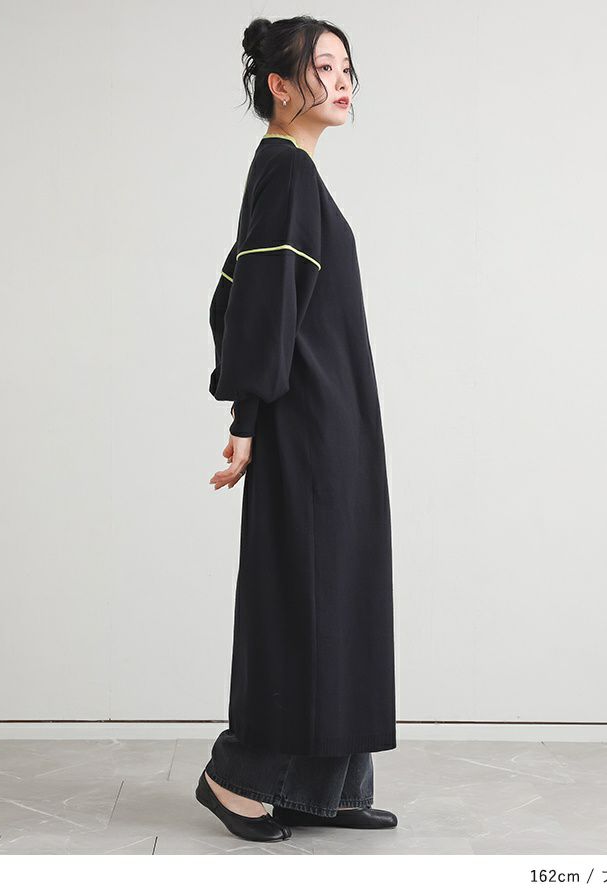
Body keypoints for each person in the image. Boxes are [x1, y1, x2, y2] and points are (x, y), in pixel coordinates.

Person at [199, 15, 398, 843]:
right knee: (303, 597)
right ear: (280, 86)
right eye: (323, 67)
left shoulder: (295, 174)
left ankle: (330, 785)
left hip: (334, 418)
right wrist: (247, 414)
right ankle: (238, 778)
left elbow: (235, 288)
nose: (341, 81)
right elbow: (256, 301)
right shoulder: (285, 171)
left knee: (341, 588)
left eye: (346, 66)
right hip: (308, 423)